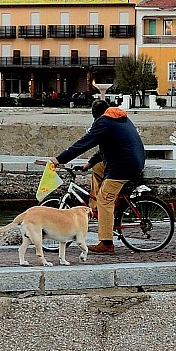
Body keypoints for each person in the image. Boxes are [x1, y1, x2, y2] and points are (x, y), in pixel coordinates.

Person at [53, 101, 146, 253]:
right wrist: (89, 164)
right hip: (129, 160)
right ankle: (95, 207)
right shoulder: (118, 119)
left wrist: (60, 159)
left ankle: (106, 243)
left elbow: (84, 143)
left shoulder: (104, 122)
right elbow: (106, 146)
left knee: (105, 199)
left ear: (96, 115)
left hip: (123, 165)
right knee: (97, 169)